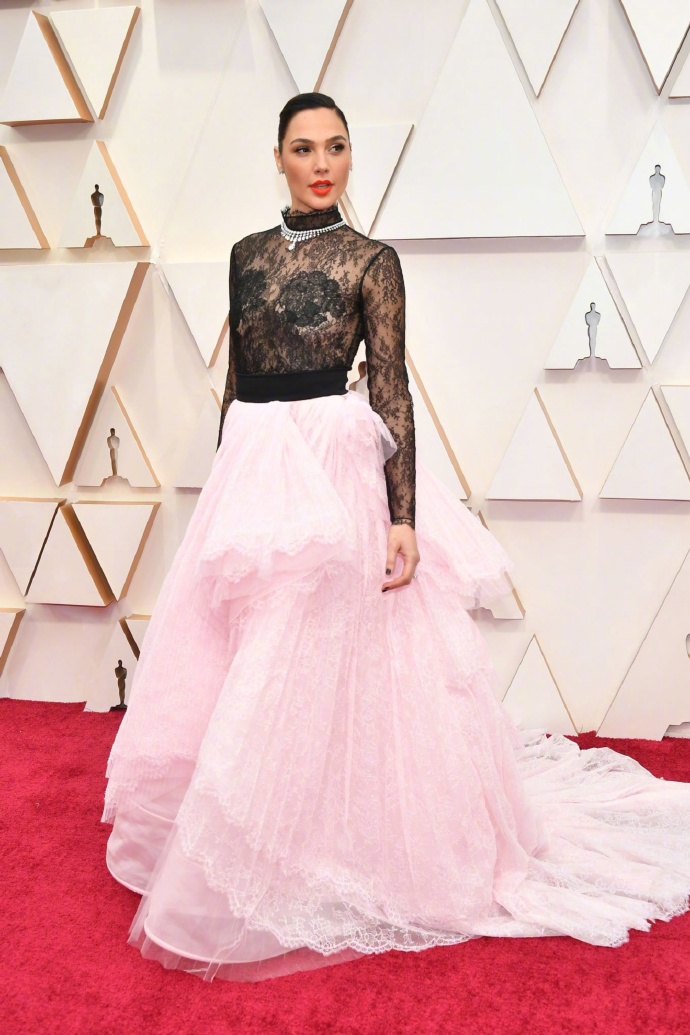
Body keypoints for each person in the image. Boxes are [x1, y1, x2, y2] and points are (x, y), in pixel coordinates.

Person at [102, 91, 690, 983]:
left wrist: (404, 514)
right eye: (305, 148)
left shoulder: (373, 260)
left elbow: (390, 388)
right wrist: (226, 480)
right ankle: (246, 835)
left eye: (336, 147)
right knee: (246, 652)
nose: (321, 163)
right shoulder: (244, 255)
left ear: (349, 157)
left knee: (306, 656)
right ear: (278, 157)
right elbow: (236, 380)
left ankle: (313, 844)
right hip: (257, 466)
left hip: (334, 470)